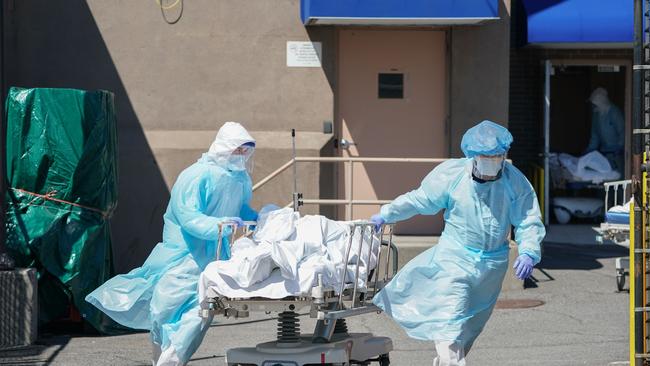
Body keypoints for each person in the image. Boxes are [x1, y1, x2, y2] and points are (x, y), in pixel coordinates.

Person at [369, 120, 545, 366]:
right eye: (486, 156)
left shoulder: (515, 181)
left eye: (497, 156)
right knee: (450, 321)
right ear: (472, 155)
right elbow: (421, 200)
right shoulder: (452, 175)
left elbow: (528, 219)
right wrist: (387, 213)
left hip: (492, 265)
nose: (492, 160)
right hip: (455, 259)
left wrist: (528, 251)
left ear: (505, 154)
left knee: (469, 329)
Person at [86, 122, 258, 366]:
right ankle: (164, 357)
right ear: (224, 147)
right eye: (238, 150)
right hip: (183, 255)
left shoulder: (240, 180)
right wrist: (220, 225)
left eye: (246, 150)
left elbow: (240, 209)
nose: (242, 156)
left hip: (213, 258)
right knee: (165, 309)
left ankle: (172, 360)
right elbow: (188, 216)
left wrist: (258, 218)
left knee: (200, 313)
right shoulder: (196, 176)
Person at [585, 87, 625, 173]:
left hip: (617, 153)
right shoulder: (596, 115)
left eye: (594, 104)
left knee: (618, 175)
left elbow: (623, 132)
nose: (593, 107)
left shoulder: (615, 113)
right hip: (605, 152)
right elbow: (594, 136)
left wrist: (620, 147)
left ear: (601, 102)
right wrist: (589, 150)